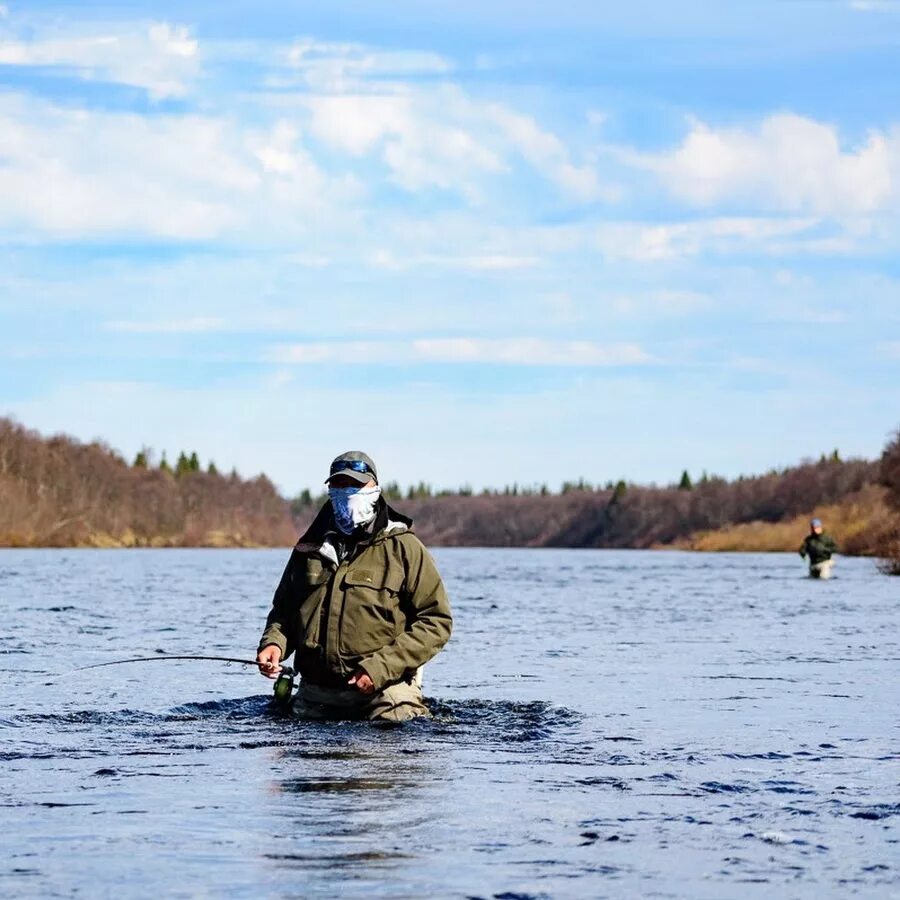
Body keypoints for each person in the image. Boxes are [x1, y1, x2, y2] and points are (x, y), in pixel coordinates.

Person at [256, 451, 452, 721]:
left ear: (374, 488)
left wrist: (380, 668)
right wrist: (274, 645)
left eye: (356, 485)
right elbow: (284, 611)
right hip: (316, 693)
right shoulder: (307, 549)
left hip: (385, 692)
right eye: (338, 486)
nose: (346, 492)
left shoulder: (404, 548)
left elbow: (436, 622)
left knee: (391, 732)